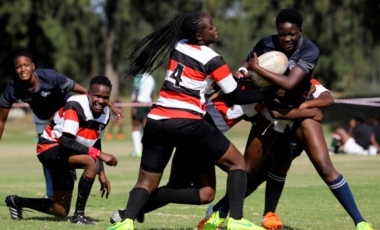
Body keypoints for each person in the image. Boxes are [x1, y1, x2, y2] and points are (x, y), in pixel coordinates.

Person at [202, 8, 373, 230]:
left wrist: (305, 106)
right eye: (282, 34)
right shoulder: (265, 43)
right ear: (277, 32)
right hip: (270, 115)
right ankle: (219, 213)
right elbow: (248, 66)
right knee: (250, 171)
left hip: (297, 115)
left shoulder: (310, 50)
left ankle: (360, 222)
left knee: (324, 166)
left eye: (292, 34)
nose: (287, 39)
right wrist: (245, 70)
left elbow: (292, 84)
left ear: (300, 31)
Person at [107, 11, 265, 230]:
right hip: (187, 123)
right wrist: (267, 94)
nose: (215, 28)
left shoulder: (179, 46)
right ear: (199, 35)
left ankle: (125, 222)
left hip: (156, 121)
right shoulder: (212, 59)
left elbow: (199, 83)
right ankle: (236, 221)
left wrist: (228, 78)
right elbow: (235, 96)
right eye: (211, 27)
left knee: (146, 181)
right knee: (238, 164)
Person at [0, 52, 122, 200]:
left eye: (26, 65)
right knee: (47, 153)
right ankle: (50, 194)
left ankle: (69, 169)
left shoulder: (49, 77)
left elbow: (85, 91)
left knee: (71, 144)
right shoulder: (13, 88)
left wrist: (108, 103)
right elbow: (0, 121)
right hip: (42, 119)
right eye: (18, 67)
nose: (22, 69)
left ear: (33, 67)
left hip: (64, 112)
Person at [4, 75, 118, 224]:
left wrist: (101, 174)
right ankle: (79, 216)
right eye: (97, 96)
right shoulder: (75, 104)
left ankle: (16, 201)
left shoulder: (105, 114)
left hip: (65, 153)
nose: (101, 101)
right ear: (89, 93)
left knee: (60, 210)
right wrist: (100, 156)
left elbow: (95, 143)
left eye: (105, 97)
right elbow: (66, 141)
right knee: (91, 161)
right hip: (49, 148)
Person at [130, 72, 155, 157]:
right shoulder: (151, 78)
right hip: (148, 103)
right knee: (145, 126)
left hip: (139, 103)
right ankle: (148, 149)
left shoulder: (138, 76)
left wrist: (134, 106)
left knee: (135, 125)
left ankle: (137, 151)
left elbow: (137, 90)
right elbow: (152, 92)